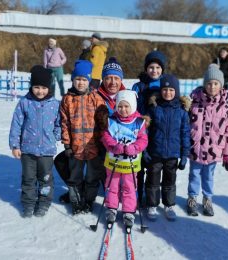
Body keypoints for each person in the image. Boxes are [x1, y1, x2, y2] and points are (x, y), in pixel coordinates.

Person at [9, 65, 61, 218]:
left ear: (49, 87)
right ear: (32, 86)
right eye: (36, 87)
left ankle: (44, 202)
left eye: (43, 88)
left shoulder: (55, 104)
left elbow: (59, 123)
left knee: (45, 179)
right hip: (27, 150)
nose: (40, 91)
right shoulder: (25, 102)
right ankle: (28, 203)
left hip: (47, 150)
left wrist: (56, 135)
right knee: (28, 178)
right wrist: (15, 145)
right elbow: (16, 124)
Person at [187, 64, 228, 217]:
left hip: (214, 151)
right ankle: (192, 198)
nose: (212, 86)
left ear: (221, 86)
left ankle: (207, 199)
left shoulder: (226, 108)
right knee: (194, 174)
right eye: (209, 83)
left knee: (208, 176)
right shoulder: (194, 104)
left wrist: (227, 154)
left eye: (216, 83)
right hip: (195, 149)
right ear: (204, 84)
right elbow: (185, 126)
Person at [60, 60, 109, 215]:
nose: (80, 83)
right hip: (76, 148)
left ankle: (88, 201)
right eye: (77, 79)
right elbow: (64, 123)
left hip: (93, 147)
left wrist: (103, 143)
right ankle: (75, 201)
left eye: (84, 79)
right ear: (73, 80)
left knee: (92, 177)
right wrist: (67, 144)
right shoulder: (67, 99)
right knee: (75, 177)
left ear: (89, 80)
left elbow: (103, 123)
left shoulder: (96, 98)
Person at [144, 74, 190, 221]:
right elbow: (145, 132)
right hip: (155, 153)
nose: (168, 93)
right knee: (153, 181)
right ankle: (152, 204)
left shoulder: (182, 112)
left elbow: (185, 134)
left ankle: (169, 205)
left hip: (172, 155)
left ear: (176, 91)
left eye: (171, 90)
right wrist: (144, 151)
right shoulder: (154, 108)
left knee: (170, 181)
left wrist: (184, 156)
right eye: (165, 89)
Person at [101, 90, 148, 227]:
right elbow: (105, 137)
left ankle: (129, 210)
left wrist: (135, 148)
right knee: (112, 185)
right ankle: (111, 207)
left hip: (130, 163)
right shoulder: (111, 121)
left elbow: (143, 140)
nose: (123, 109)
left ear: (132, 106)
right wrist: (114, 146)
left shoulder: (139, 122)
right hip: (113, 162)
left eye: (126, 106)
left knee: (129, 187)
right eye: (120, 106)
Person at [132, 50, 167, 206]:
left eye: (158, 68)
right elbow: (133, 107)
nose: (155, 70)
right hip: (139, 130)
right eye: (151, 67)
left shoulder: (166, 86)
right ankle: (136, 195)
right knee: (138, 167)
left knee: (153, 168)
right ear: (146, 69)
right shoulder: (138, 86)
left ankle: (150, 197)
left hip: (157, 133)